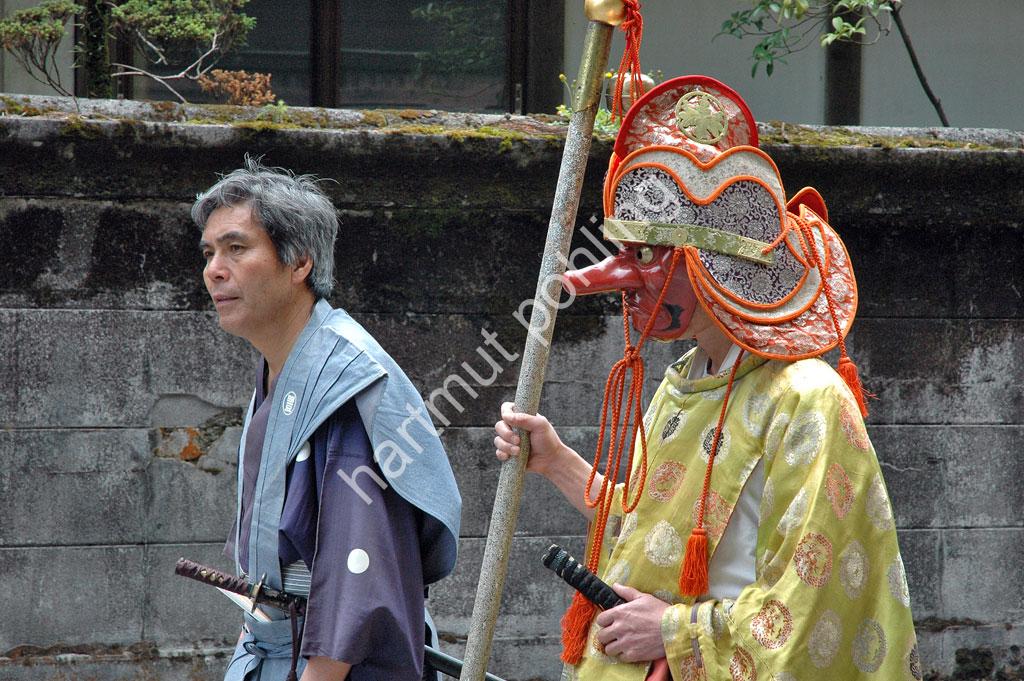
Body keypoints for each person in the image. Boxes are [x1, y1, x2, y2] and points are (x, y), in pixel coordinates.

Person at [494, 76, 920, 681]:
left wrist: (676, 632)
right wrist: (556, 460)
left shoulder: (806, 397)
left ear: (713, 262)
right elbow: (648, 537)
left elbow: (811, 599)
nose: (616, 279)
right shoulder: (684, 380)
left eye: (647, 255)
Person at [193, 157, 461, 681]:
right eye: (209, 252)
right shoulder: (286, 367)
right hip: (275, 652)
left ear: (299, 263)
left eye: (236, 248)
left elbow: (354, 585)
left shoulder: (343, 384)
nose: (214, 270)